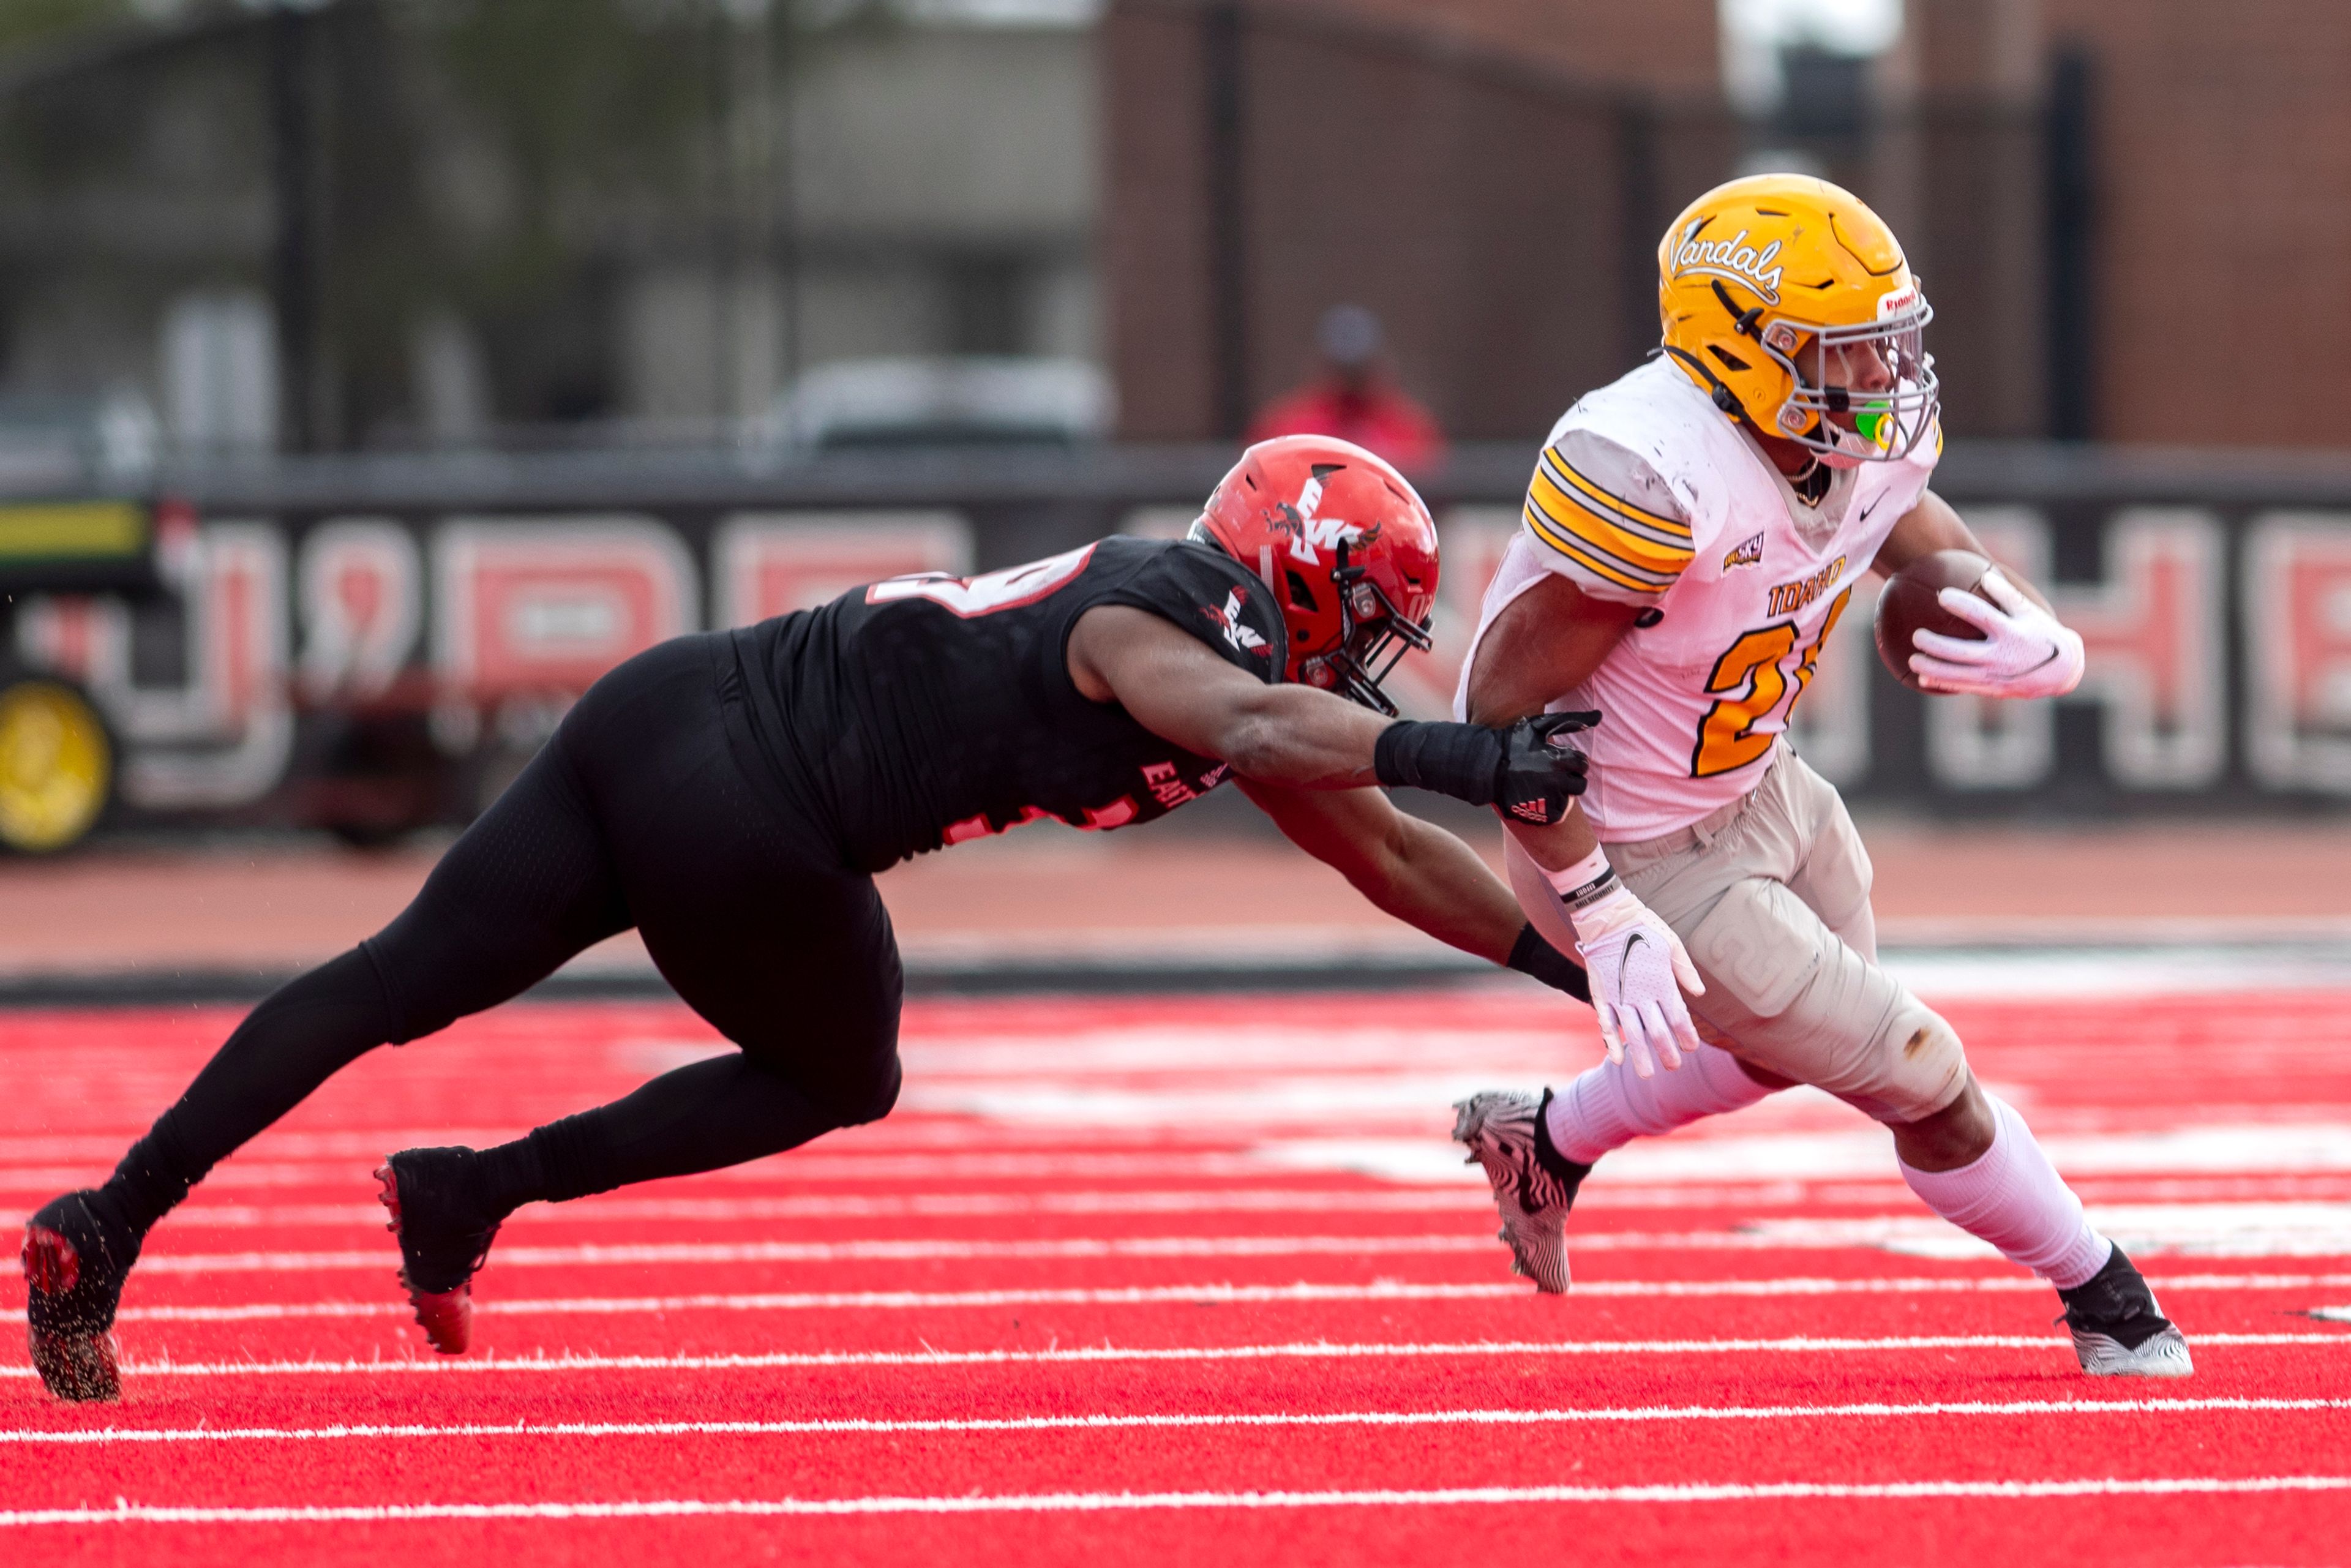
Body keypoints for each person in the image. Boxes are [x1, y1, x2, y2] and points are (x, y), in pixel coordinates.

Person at [22, 435, 1599, 1403]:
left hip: (668, 704)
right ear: (1301, 575)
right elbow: (1258, 729)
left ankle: (110, 1217)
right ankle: (478, 1188)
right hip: (762, 807)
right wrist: (1465, 751)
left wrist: (1571, 965)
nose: (1372, 657)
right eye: (1369, 618)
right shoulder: (1164, 622)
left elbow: (1387, 853)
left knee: (390, 980)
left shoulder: (1223, 651)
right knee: (847, 1070)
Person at [1445, 174, 2192, 1378]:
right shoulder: (1653, 467)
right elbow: (1498, 714)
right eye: (1840, 353)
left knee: (1785, 1042)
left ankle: (1546, 1137)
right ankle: (2108, 1295)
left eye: (1886, 345)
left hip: (1765, 785)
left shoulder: (1841, 436)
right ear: (1734, 345)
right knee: (1923, 1075)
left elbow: (1906, 514)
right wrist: (1597, 899)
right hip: (1629, 837)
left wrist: (2018, 616)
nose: (1879, 379)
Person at [1248, 304, 1446, 471]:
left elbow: (1434, 487)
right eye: (1343, 369)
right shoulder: (1287, 425)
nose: (1350, 379)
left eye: (1358, 369)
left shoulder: (1408, 428)